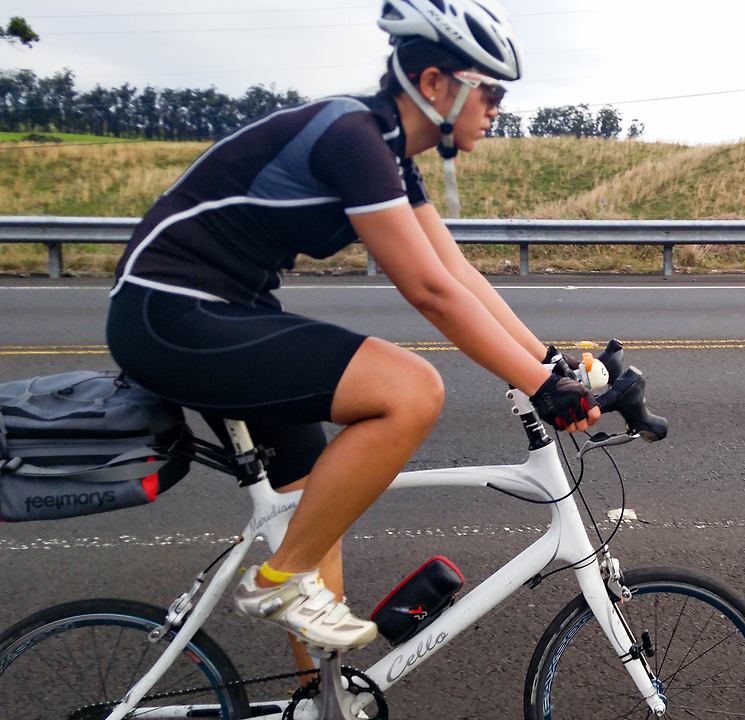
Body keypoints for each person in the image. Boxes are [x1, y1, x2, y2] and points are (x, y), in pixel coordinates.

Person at [105, 0, 599, 653]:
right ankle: (278, 581)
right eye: (491, 91)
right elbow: (428, 292)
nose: (497, 109)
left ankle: (320, 692)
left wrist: (549, 362)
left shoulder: (390, 154)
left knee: (317, 512)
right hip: (173, 314)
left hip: (221, 312)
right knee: (410, 390)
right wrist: (538, 384)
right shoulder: (354, 139)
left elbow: (456, 273)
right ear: (434, 84)